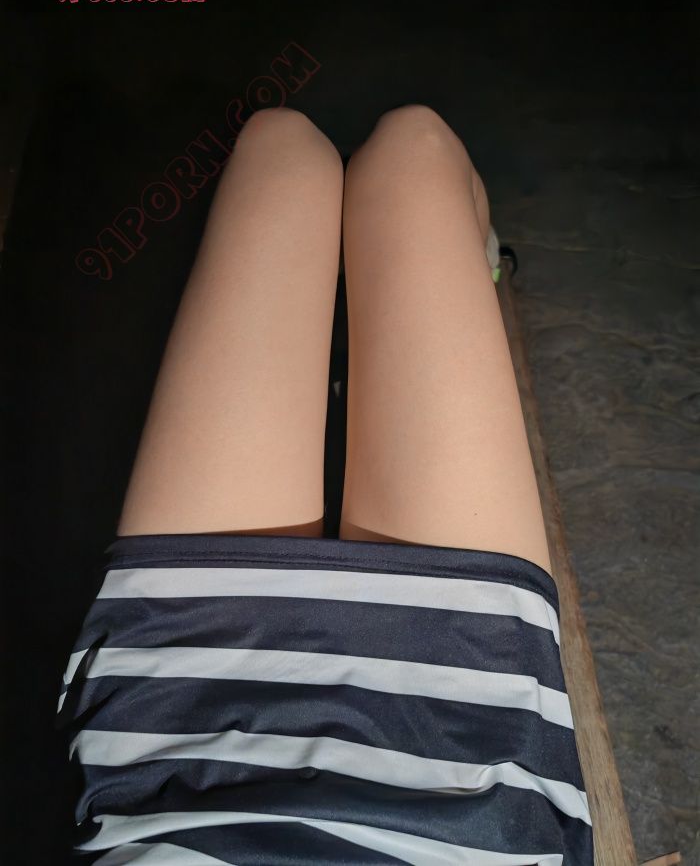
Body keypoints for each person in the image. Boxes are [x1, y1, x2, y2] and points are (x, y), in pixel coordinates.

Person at [58, 105, 593, 863]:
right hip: (459, 744)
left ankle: (435, 281)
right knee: (411, 148)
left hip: (184, 721)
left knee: (282, 145)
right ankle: (469, 271)